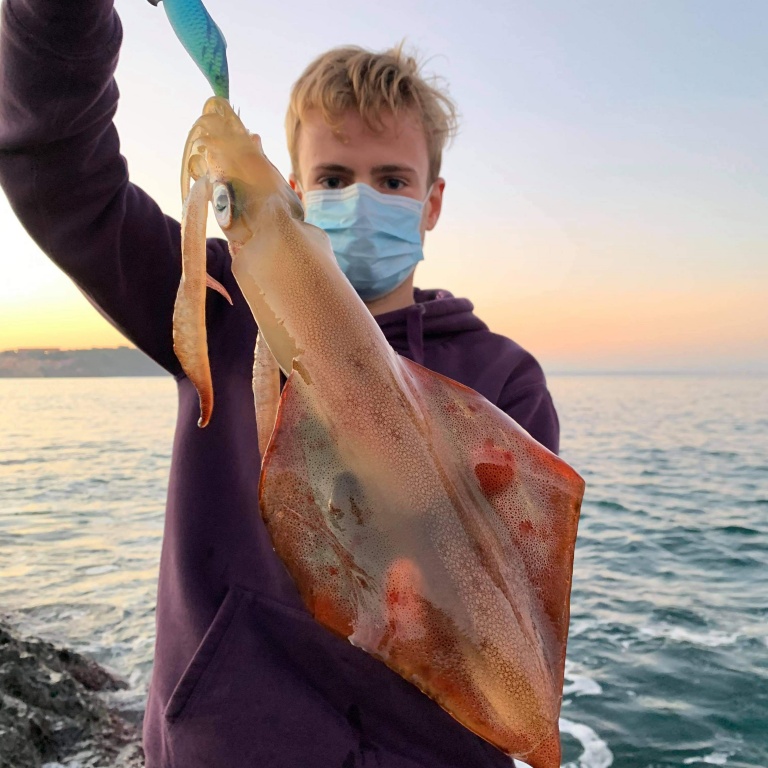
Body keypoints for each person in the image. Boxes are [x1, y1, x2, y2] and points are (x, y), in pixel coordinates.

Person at [0, 0, 560, 765]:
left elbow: (501, 622)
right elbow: (62, 175)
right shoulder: (224, 307)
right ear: (296, 184)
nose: (362, 198)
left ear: (431, 202)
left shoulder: (503, 381)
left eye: (392, 179)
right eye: (334, 176)